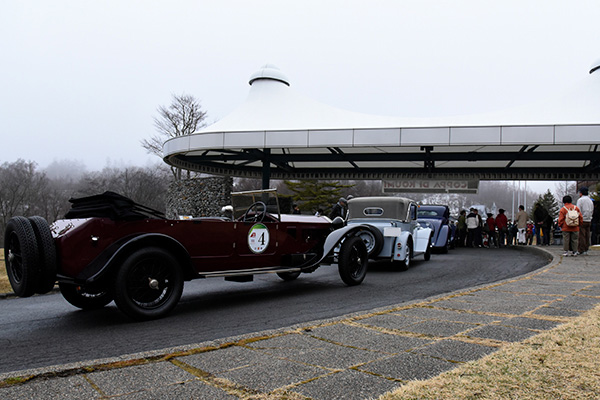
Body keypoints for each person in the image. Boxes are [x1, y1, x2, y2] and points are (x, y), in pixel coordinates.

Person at [576, 187, 594, 255]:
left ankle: (581, 249)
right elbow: (592, 209)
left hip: (582, 219)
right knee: (587, 235)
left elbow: (578, 210)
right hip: (589, 219)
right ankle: (586, 248)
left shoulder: (580, 200)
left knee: (581, 235)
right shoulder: (590, 200)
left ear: (581, 193)